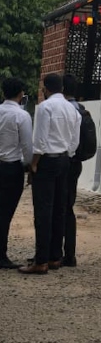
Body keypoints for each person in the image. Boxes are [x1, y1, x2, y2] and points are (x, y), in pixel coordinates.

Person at [19, 73, 81, 275]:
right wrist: (67, 155)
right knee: (59, 209)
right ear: (61, 88)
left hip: (47, 161)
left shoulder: (45, 107)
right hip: (65, 160)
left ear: (45, 89)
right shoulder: (73, 110)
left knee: (43, 211)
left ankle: (41, 260)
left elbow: (40, 141)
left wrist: (34, 164)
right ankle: (55, 257)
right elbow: (74, 142)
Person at [0, 78, 33, 269]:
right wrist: (30, 165)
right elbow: (27, 146)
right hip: (11, 168)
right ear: (21, 94)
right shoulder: (22, 116)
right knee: (5, 212)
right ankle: (1, 254)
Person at [60, 73, 85, 267]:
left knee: (58, 207)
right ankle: (70, 254)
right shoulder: (81, 109)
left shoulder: (65, 109)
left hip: (64, 162)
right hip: (76, 163)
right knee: (68, 207)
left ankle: (56, 253)